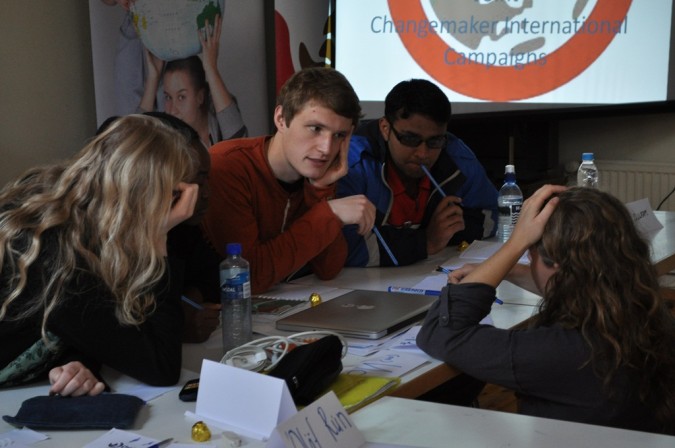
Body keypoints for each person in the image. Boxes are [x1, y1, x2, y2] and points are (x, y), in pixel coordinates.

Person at [417, 185, 675, 434]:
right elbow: (579, 282)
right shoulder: (644, 313)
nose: (528, 259)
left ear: (556, 265)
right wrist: (508, 271)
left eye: (531, 255)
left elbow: (441, 333)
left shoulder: (559, 351)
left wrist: (513, 245)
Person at [0, 115, 200, 396]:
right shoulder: (57, 259)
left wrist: (79, 360)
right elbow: (160, 366)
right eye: (173, 195)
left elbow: (90, 328)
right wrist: (158, 238)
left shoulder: (61, 210)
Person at [201, 67, 376, 294]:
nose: (326, 148)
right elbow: (248, 276)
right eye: (315, 128)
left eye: (339, 135)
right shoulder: (228, 165)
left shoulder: (315, 174)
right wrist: (328, 213)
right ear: (281, 119)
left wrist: (321, 191)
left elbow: (329, 269)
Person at [337, 79, 498, 267]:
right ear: (385, 128)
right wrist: (425, 241)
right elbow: (342, 249)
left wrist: (448, 229)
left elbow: (496, 217)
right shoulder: (352, 164)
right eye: (410, 139)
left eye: (434, 141)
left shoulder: (456, 158)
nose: (423, 154)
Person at [97, 112, 222, 343]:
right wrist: (176, 321)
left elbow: (215, 275)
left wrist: (188, 297)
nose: (202, 192)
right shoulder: (95, 241)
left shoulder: (182, 228)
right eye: (195, 178)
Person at [139, 14, 247, 147]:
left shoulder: (216, 120)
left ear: (200, 97)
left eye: (181, 97)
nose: (172, 110)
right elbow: (133, 144)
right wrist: (153, 78)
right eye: (168, 97)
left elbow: (239, 143)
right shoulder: (167, 137)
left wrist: (211, 69)